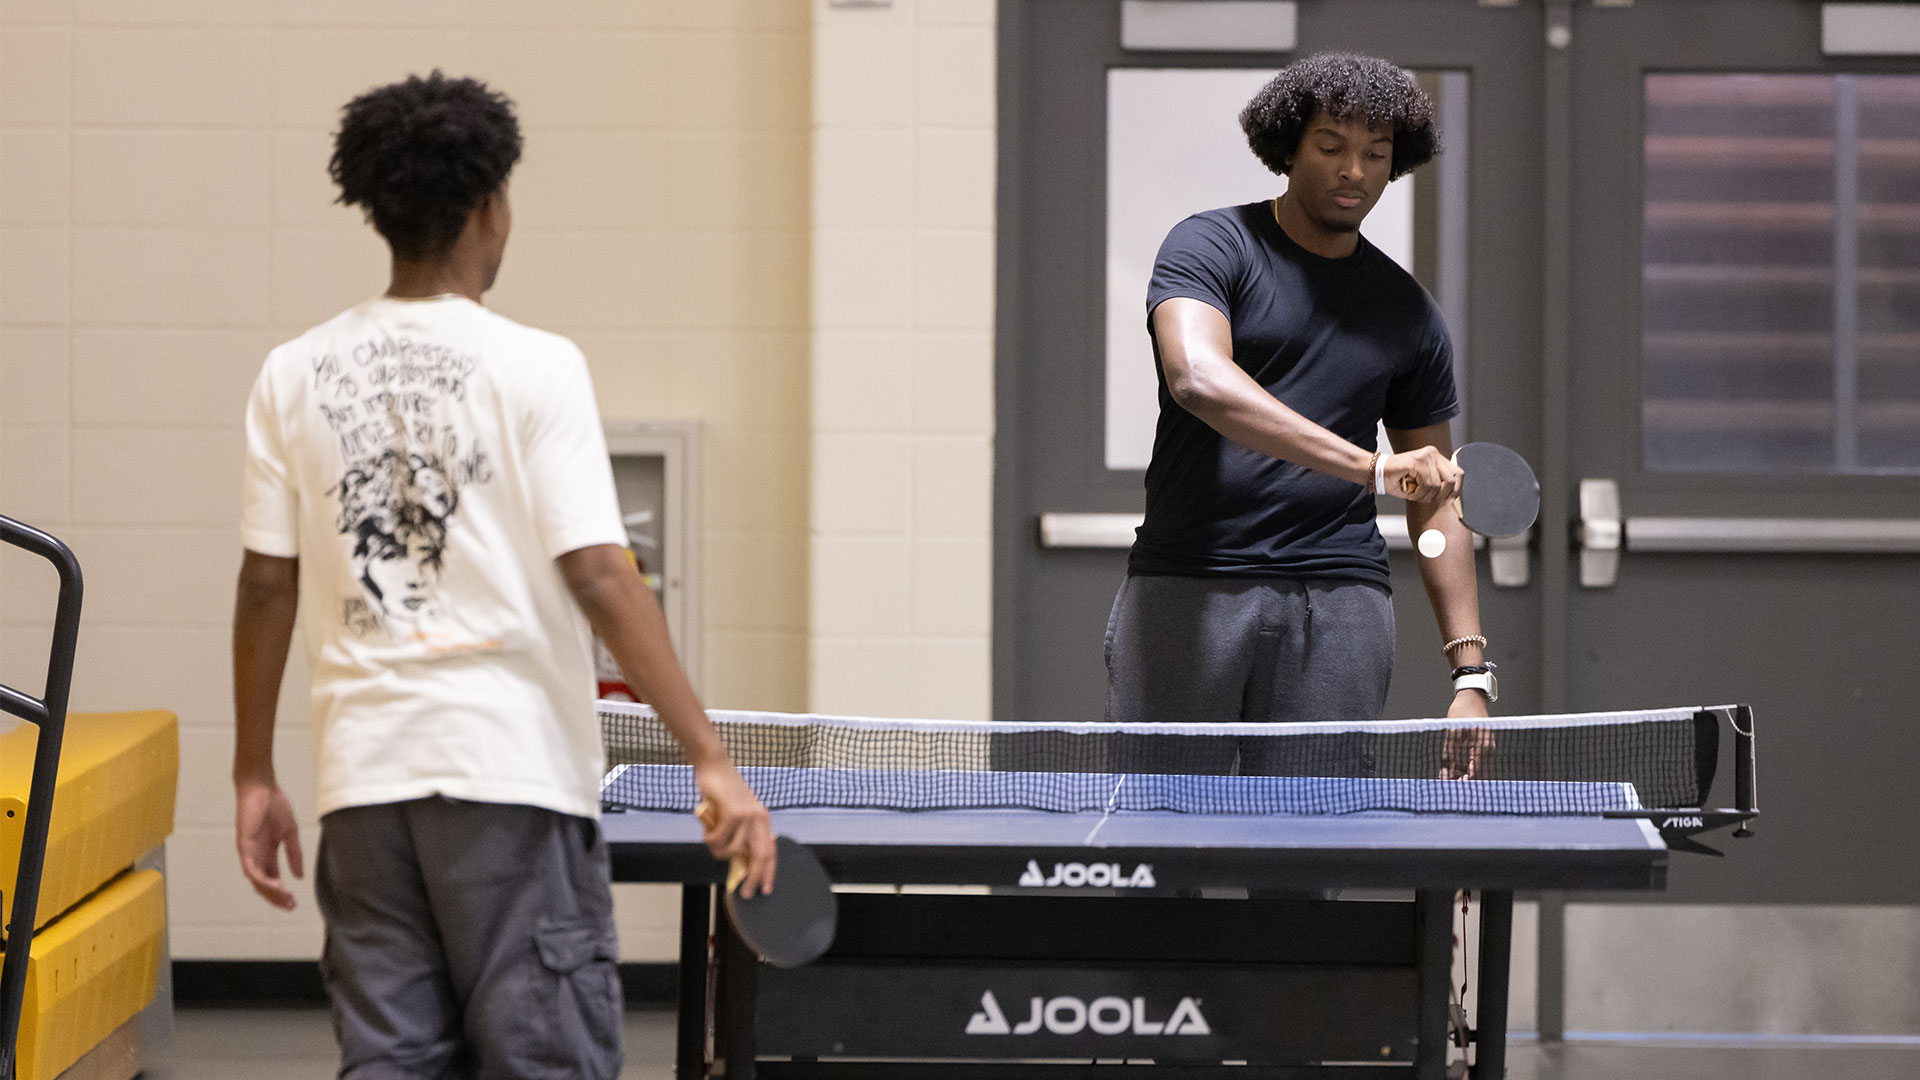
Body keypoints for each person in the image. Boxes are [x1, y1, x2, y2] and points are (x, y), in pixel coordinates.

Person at [231, 71, 774, 1079]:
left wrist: (255, 769)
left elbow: (265, 585)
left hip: (363, 785)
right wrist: (709, 755)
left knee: (391, 1064)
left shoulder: (290, 372)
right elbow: (602, 572)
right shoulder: (537, 365)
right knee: (545, 1062)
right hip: (509, 779)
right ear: (490, 205)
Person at [1107, 52, 1495, 746]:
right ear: (1288, 147)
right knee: (1160, 827)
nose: (1354, 171)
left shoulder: (1407, 311)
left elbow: (1433, 497)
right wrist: (1368, 468)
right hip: (1191, 580)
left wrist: (1470, 673)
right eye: (1331, 147)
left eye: (1376, 154)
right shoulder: (1212, 246)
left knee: (1321, 840)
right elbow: (1198, 377)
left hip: (1339, 599)